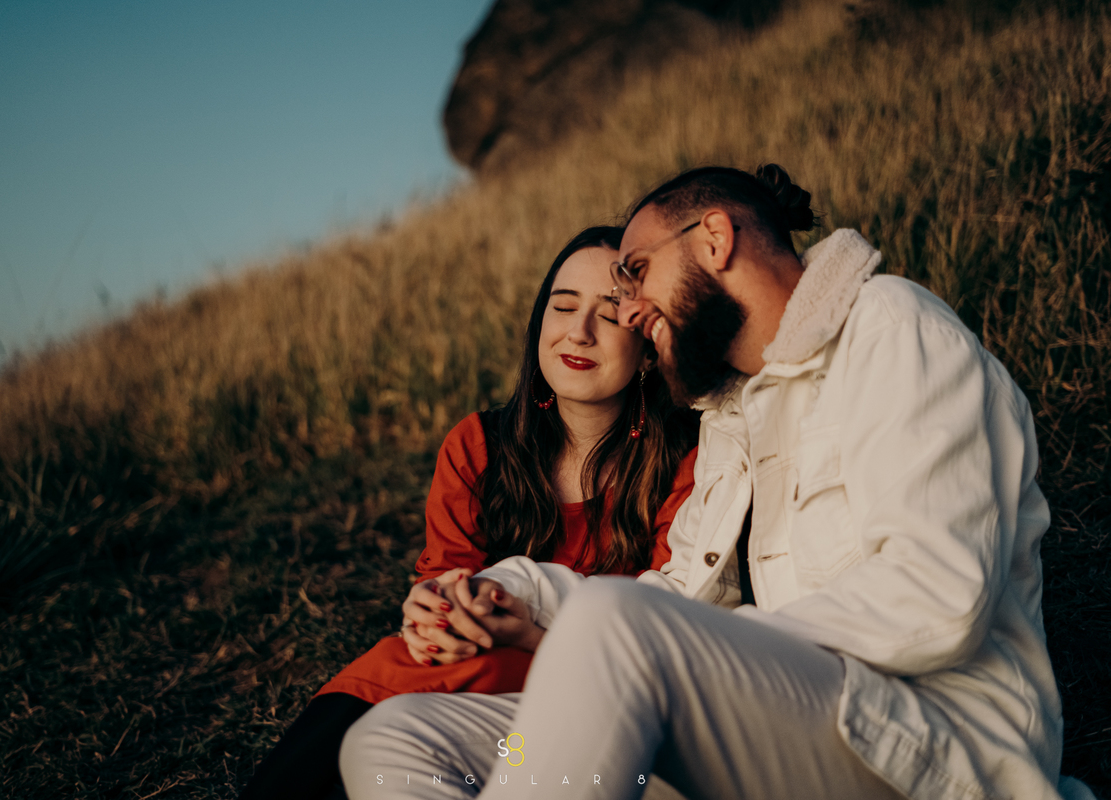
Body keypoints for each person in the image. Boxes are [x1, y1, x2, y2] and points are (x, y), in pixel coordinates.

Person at [338, 166, 1098, 800]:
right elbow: (677, 599)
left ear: (714, 237)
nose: (631, 312)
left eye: (634, 273)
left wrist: (701, 645)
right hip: (786, 737)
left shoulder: (891, 327)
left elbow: (940, 598)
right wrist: (514, 594)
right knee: (398, 739)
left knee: (618, 621)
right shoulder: (733, 413)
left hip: (928, 750)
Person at [238, 226, 700, 800]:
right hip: (468, 671)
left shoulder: (684, 460)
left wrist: (531, 635)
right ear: (539, 325)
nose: (578, 332)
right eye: (561, 307)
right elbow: (445, 577)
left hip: (605, 690)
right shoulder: (480, 445)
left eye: (609, 314)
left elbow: (667, 618)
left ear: (647, 346)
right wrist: (429, 607)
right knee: (413, 664)